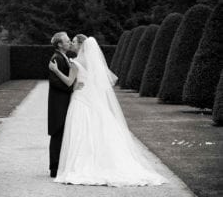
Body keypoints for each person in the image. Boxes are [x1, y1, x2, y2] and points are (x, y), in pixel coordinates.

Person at [48, 34, 168, 187]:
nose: (71, 43)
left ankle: (80, 164)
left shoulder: (75, 62)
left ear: (80, 45)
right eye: (68, 41)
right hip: (91, 99)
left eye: (73, 41)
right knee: (96, 130)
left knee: (80, 131)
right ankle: (99, 162)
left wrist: (56, 70)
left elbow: (69, 81)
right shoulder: (92, 63)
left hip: (80, 100)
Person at [47, 32, 83, 178]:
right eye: (67, 41)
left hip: (63, 101)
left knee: (63, 133)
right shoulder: (56, 58)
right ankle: (54, 168)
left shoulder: (64, 58)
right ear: (60, 44)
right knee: (57, 132)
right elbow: (54, 82)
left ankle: (60, 165)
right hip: (58, 103)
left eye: (70, 41)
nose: (69, 43)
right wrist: (72, 87)